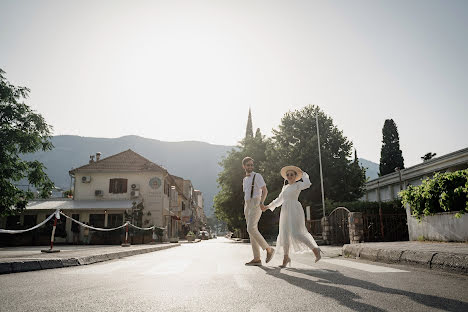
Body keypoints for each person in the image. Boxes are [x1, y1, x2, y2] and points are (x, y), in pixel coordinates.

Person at [262, 165, 322, 268]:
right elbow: (279, 200)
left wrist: (303, 174)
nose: (289, 176)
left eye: (292, 174)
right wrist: (267, 207)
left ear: (295, 176)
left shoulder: (298, 185)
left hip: (294, 209)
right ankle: (286, 258)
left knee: (295, 233)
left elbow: (307, 184)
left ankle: (315, 250)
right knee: (284, 234)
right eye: (288, 174)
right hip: (285, 211)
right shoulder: (285, 187)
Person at [242, 157, 275, 266]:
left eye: (252, 165)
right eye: (248, 165)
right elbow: (246, 193)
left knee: (250, 228)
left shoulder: (257, 176)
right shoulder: (245, 179)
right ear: (244, 166)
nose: (250, 167)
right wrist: (246, 205)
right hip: (247, 204)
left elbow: (265, 190)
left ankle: (269, 249)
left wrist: (261, 202)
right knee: (252, 231)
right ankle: (257, 258)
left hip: (256, 202)